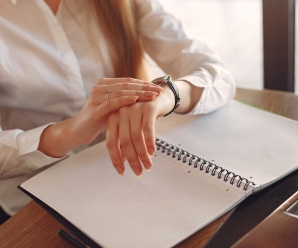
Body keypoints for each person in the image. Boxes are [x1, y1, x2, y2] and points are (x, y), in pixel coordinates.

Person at [0, 0, 235, 224]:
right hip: (32, 203)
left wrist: (167, 95)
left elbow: (219, 76)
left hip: (130, 180)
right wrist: (67, 133)